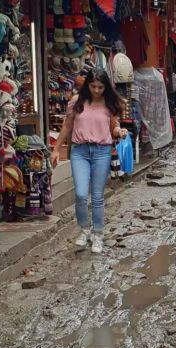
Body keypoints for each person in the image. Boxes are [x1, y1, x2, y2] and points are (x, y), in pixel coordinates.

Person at [51, 68, 127, 254]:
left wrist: (119, 132)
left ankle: (98, 234)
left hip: (102, 151)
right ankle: (84, 229)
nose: (96, 90)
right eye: (93, 86)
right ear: (87, 85)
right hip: (80, 151)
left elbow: (113, 126)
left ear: (105, 87)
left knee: (98, 196)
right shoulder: (76, 102)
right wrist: (55, 149)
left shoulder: (110, 104)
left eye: (100, 87)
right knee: (80, 194)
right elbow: (67, 125)